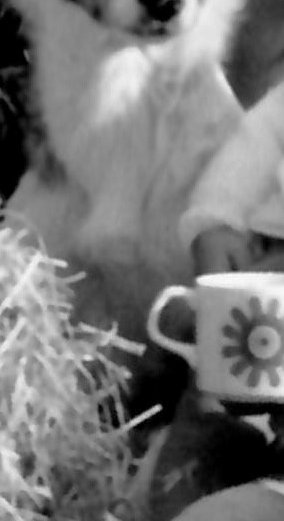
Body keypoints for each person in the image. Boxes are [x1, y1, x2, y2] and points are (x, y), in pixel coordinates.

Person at [143, 86, 284, 520]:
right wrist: (216, 221)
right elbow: (257, 142)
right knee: (219, 388)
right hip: (267, 272)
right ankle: (194, 470)